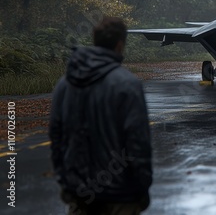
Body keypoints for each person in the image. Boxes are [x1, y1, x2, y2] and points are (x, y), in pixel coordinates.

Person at [49, 16, 152, 215]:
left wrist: (65, 180)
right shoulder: (128, 85)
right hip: (122, 195)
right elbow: (138, 142)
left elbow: (56, 135)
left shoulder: (65, 83)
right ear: (120, 44)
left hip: (79, 193)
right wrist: (143, 185)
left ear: (95, 41)